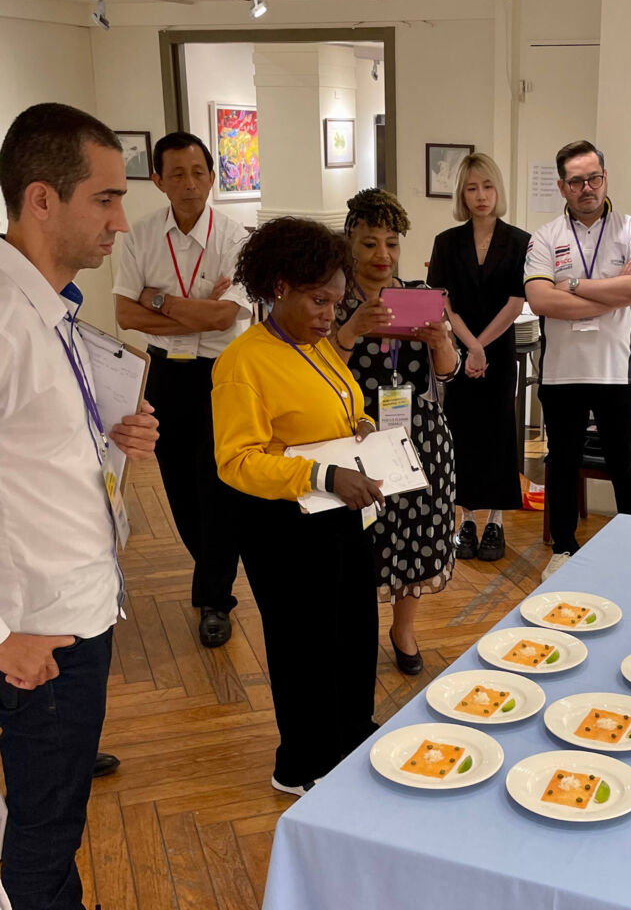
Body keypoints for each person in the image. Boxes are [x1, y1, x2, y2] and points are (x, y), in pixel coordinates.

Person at [0, 102, 159, 910]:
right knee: (43, 826)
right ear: (41, 200)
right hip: (40, 630)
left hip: (77, 604)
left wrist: (111, 435)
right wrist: (3, 634)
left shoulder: (49, 306)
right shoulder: (3, 319)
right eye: (104, 198)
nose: (120, 221)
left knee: (54, 813)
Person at [212, 217, 385, 795]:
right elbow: (236, 460)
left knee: (355, 633)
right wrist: (321, 471)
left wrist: (354, 425)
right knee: (304, 645)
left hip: (339, 512)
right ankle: (305, 764)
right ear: (280, 286)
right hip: (284, 523)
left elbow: (335, 407)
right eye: (319, 300)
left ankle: (352, 737)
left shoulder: (317, 348)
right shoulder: (243, 362)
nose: (329, 315)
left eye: (336, 303)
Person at [113, 131, 252, 647]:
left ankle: (215, 598)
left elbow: (225, 319)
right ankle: (213, 572)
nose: (190, 184)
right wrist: (191, 310)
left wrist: (158, 300)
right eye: (177, 174)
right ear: (157, 180)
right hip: (163, 374)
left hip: (221, 375)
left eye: (199, 173)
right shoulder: (141, 234)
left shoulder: (236, 238)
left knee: (218, 486)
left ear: (212, 177)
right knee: (178, 489)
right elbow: (124, 313)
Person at [331, 188, 461, 675]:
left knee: (418, 532)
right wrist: (349, 332)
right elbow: (316, 369)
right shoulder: (332, 300)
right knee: (363, 535)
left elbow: (446, 374)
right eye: (369, 244)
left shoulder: (419, 298)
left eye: (391, 243)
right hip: (357, 436)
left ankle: (403, 629)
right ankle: (357, 629)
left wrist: (441, 341)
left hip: (421, 434)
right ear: (350, 242)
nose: (381, 255)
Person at [524, 140, 631, 580]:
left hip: (616, 371)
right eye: (577, 181)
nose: (587, 188)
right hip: (562, 373)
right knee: (562, 462)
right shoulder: (545, 237)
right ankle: (562, 548)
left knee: (625, 465)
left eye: (594, 178)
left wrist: (572, 286)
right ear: (562, 187)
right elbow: (541, 300)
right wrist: (606, 292)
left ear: (606, 179)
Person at [427, 153, 529, 561]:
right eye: (472, 188)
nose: (481, 196)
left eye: (487, 186)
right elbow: (443, 299)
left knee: (499, 431)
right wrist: (469, 344)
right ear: (462, 195)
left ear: (497, 190)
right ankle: (465, 518)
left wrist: (482, 345)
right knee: (462, 432)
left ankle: (495, 523)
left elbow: (516, 300)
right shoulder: (446, 242)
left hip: (500, 350)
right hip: (460, 349)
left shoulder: (520, 240)